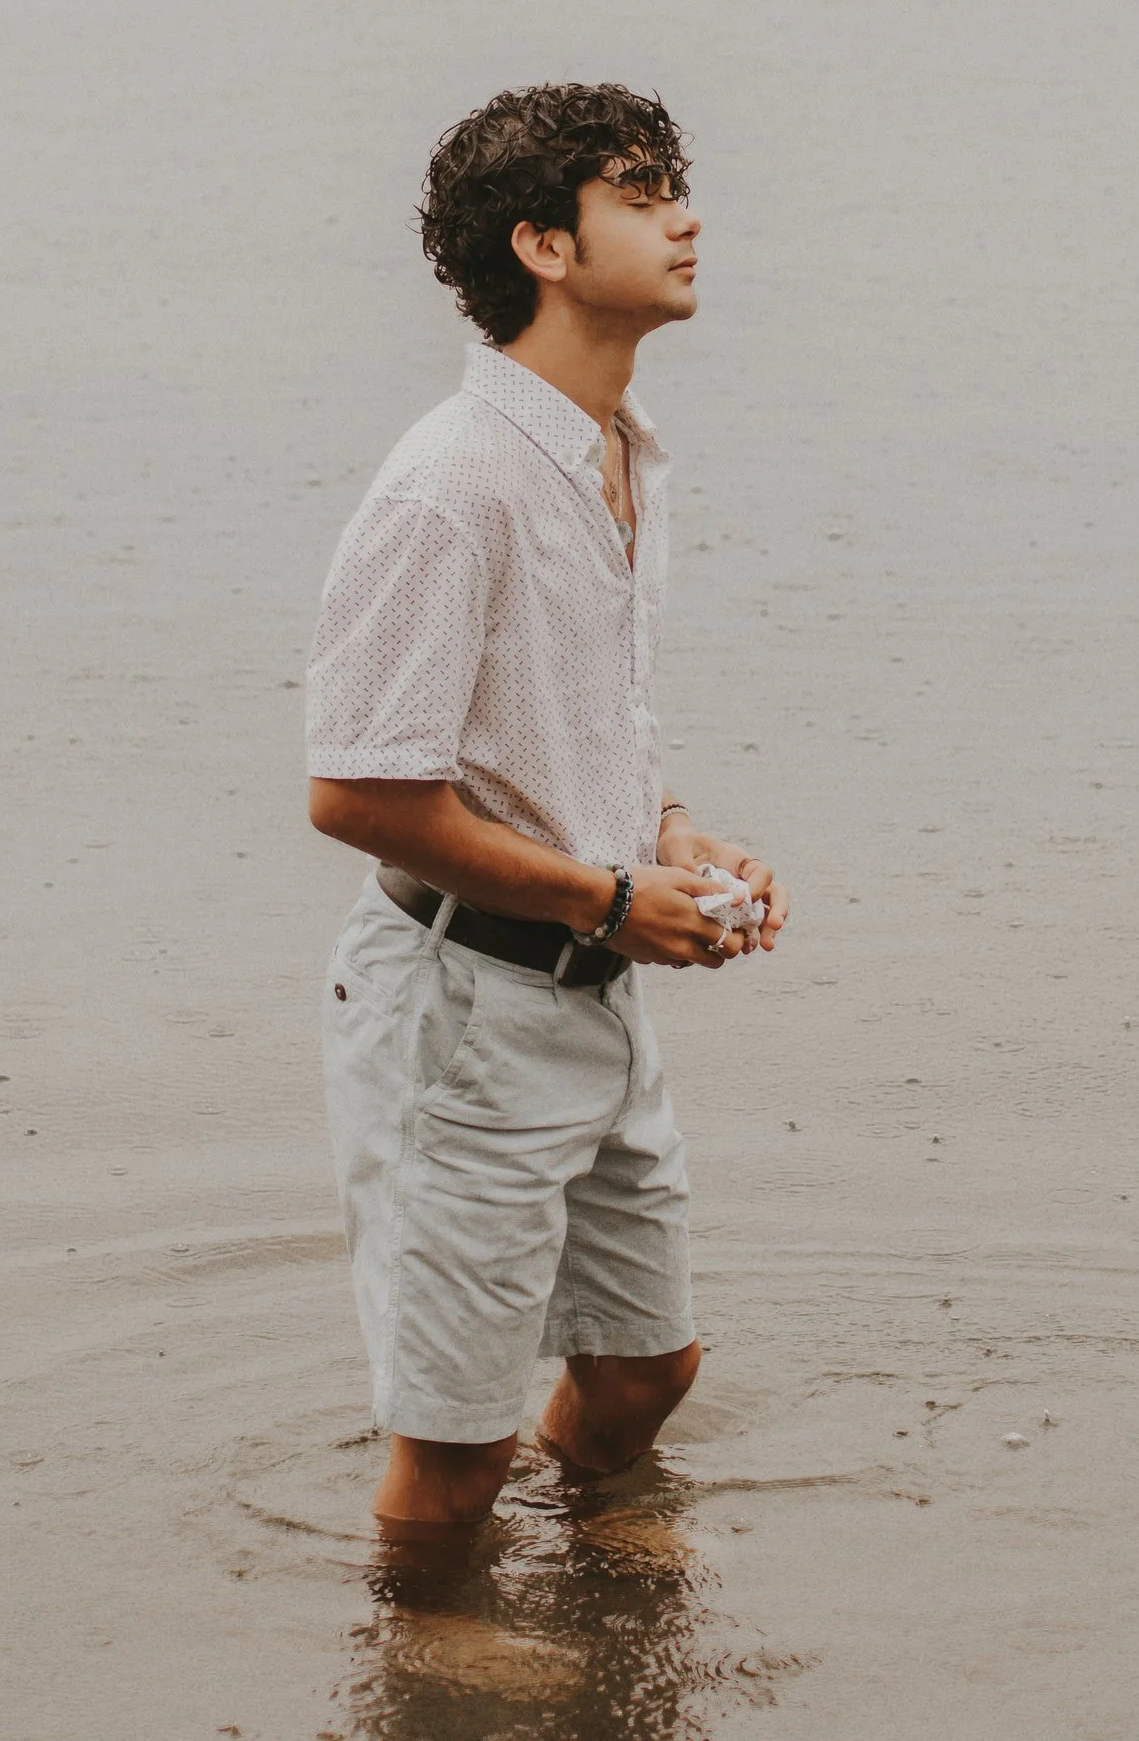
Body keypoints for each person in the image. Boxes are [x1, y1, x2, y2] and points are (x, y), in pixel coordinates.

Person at [306, 81, 789, 1534]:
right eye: (642, 194)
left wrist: (671, 839)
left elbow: (559, 731)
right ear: (545, 247)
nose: (686, 216)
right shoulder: (454, 487)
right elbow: (355, 792)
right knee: (452, 1449)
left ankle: (581, 1588)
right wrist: (608, 898)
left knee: (647, 1372)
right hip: (462, 1005)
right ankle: (426, 1655)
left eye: (674, 186)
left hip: (587, 992)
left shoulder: (612, 457)